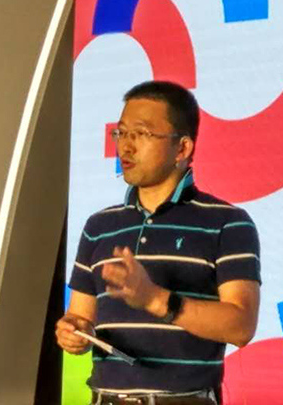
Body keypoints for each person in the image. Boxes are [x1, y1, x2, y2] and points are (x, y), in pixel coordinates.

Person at [56, 81, 261, 405]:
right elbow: (81, 317)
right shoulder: (99, 226)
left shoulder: (227, 222)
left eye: (142, 134)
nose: (126, 147)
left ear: (182, 148)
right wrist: (74, 332)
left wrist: (154, 299)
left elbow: (241, 326)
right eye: (120, 133)